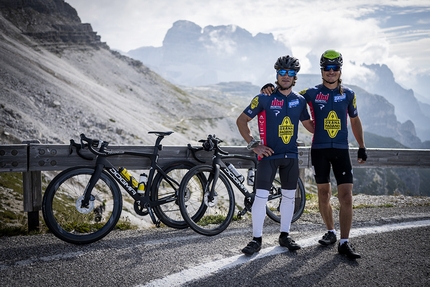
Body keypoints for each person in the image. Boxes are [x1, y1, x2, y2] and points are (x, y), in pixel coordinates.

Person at [261, 49, 367, 259]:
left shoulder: (349, 94)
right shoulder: (310, 93)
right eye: (326, 68)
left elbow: (354, 120)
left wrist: (362, 146)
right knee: (324, 194)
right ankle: (330, 232)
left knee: (346, 196)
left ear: (339, 70)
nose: (331, 72)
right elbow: (287, 92)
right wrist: (269, 88)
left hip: (341, 150)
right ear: (321, 70)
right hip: (319, 149)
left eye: (334, 68)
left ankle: (345, 242)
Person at [236, 55, 314, 256]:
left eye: (290, 73)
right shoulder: (264, 97)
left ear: (295, 76)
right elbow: (241, 121)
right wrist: (254, 145)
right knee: (260, 198)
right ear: (277, 74)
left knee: (288, 197)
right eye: (282, 72)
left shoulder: (300, 100)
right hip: (268, 157)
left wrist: (340, 120)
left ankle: (285, 235)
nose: (286, 76)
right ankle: (256, 239)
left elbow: (310, 127)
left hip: (290, 157)